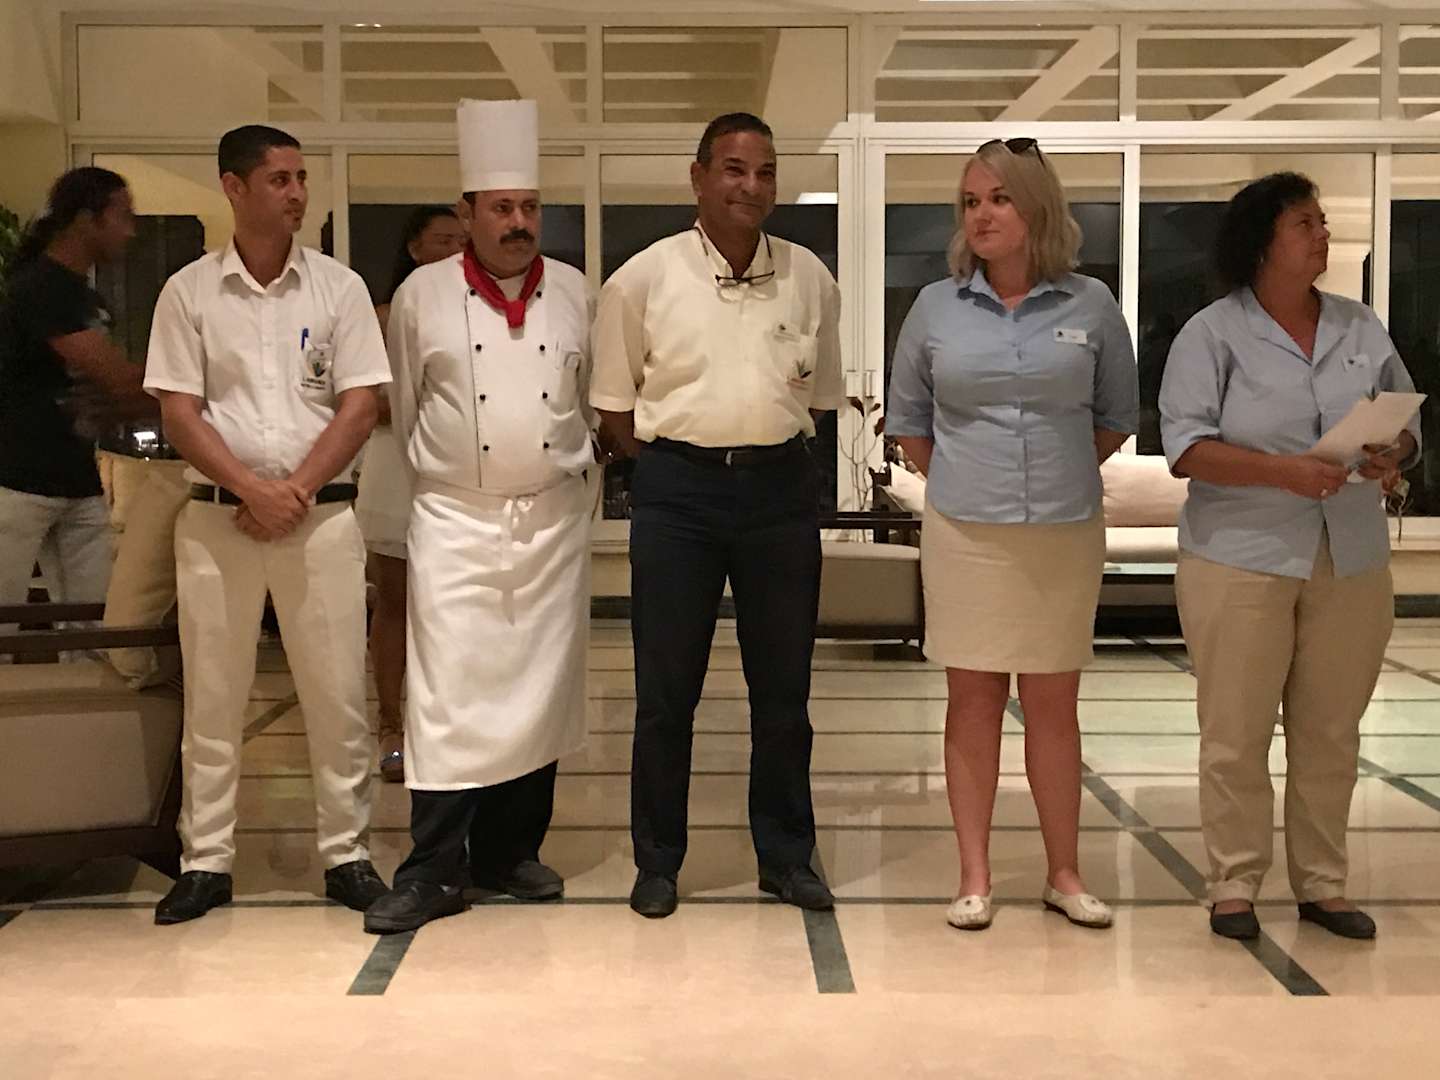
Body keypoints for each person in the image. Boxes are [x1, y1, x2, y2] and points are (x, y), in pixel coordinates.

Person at [591, 112, 843, 920]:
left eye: (765, 172)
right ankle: (658, 861)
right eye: (734, 169)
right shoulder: (641, 279)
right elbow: (615, 410)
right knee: (666, 692)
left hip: (780, 492)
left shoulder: (808, 276)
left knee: (785, 693)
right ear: (698, 178)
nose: (751, 186)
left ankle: (787, 856)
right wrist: (680, 463)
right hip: (679, 494)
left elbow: (821, 396)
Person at [1159, 172, 1420, 942]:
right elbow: (1186, 448)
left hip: (1350, 554)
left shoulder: (1360, 326)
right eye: (1305, 223)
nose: (1322, 234)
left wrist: (1395, 451)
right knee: (1236, 732)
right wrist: (1284, 471)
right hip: (1240, 555)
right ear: (1261, 241)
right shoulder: (1212, 333)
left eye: (1322, 222)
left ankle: (1323, 884)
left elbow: (1406, 419)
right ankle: (1234, 883)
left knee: (1332, 729)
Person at [887, 138, 1138, 932]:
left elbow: (1114, 416)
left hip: (1064, 530)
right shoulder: (935, 307)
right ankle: (974, 876)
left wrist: (1053, 469)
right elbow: (909, 422)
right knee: (973, 701)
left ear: (1036, 207)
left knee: (1055, 704)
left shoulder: (1091, 304)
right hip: (965, 529)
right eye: (970, 201)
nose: (982, 214)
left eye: (998, 198)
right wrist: (973, 476)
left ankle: (1064, 873)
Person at [143, 125, 391, 924]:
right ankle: (206, 860)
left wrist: (294, 491)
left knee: (337, 696)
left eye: (301, 178)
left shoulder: (338, 289)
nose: (296, 194)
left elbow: (361, 405)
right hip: (219, 523)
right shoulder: (189, 292)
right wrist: (252, 489)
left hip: (321, 520)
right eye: (280, 179)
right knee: (215, 696)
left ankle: (347, 854)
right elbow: (179, 413)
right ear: (234, 187)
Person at [364, 99, 595, 934]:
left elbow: (584, 399)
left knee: (539, 691)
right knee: (447, 695)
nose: (518, 222)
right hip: (455, 519)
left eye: (529, 207)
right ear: (467, 215)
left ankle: (509, 853)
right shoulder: (421, 296)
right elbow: (406, 406)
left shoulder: (573, 291)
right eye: (501, 208)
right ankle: (432, 869)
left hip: (552, 522)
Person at [0, 167, 146, 621]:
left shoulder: (88, 300)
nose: (130, 231)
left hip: (78, 479)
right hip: (16, 482)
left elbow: (114, 394)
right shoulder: (41, 288)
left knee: (94, 626)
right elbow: (116, 380)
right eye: (123, 216)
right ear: (86, 219)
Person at [355, 205, 466, 782]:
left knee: (456, 608)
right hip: (395, 471)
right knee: (395, 604)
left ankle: (446, 724)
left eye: (461, 241)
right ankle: (391, 723)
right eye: (442, 240)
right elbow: (361, 403)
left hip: (460, 475)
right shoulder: (382, 315)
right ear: (414, 249)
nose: (454, 251)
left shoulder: (476, 316)